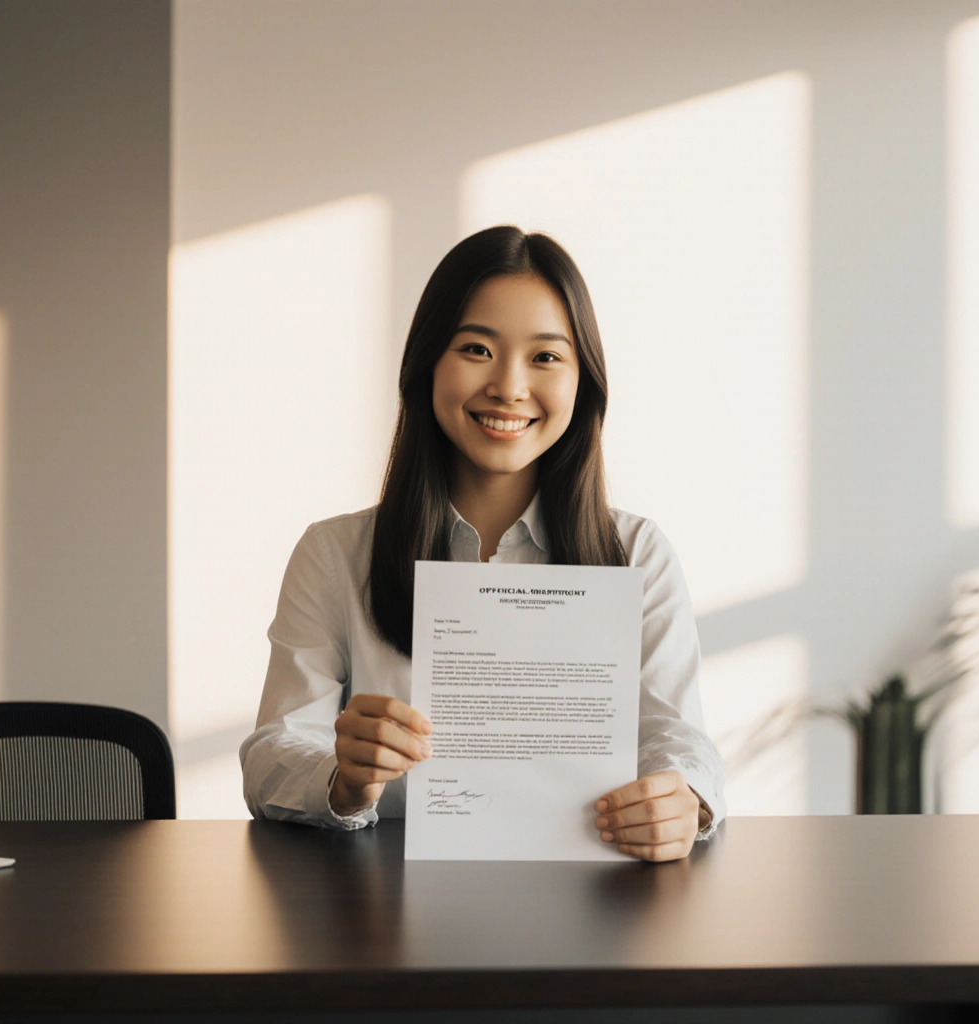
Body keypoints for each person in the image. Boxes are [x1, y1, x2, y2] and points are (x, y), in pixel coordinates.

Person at [240, 226, 725, 862]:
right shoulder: (334, 554)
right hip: (381, 914)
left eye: (546, 357)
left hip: (589, 907)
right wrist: (345, 776)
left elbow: (675, 735)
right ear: (427, 364)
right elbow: (274, 752)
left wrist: (683, 799)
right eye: (476, 348)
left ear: (585, 383)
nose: (509, 386)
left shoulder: (636, 551)